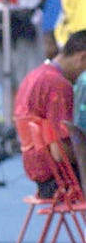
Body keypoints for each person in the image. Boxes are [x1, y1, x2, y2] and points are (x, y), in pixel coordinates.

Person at [13, 30, 86, 198]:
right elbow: (60, 153)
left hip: (40, 174)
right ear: (82, 58)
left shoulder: (36, 74)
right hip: (60, 182)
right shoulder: (58, 85)